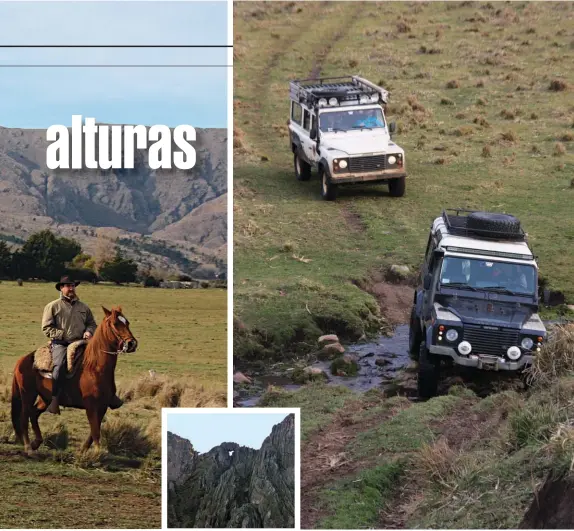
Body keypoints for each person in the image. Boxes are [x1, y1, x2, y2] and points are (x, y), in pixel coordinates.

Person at [41, 275, 123, 414]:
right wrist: (64, 335)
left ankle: (110, 395)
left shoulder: (83, 307)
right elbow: (46, 328)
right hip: (61, 343)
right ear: (61, 288)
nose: (71, 288)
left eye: (73, 286)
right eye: (68, 286)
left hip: (81, 342)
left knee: (102, 363)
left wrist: (89, 331)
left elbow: (91, 323)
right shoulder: (53, 306)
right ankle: (54, 399)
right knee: (59, 365)